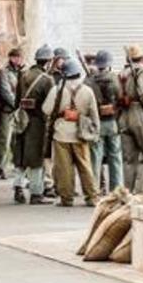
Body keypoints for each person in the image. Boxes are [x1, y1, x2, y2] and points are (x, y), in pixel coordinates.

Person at [43, 59, 100, 207]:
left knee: (64, 168)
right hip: (81, 133)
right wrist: (95, 133)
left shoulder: (56, 90)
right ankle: (92, 197)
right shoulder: (87, 91)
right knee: (86, 167)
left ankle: (66, 198)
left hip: (61, 133)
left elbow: (46, 109)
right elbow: (94, 114)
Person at [11, 45, 55, 205]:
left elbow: (16, 101)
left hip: (23, 119)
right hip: (38, 123)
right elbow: (50, 106)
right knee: (36, 158)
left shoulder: (23, 75)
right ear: (48, 62)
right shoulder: (47, 80)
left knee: (20, 155)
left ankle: (18, 188)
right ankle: (36, 193)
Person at [118, 44, 143, 194]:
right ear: (141, 58)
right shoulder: (140, 70)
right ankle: (142, 192)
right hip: (138, 113)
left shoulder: (122, 73)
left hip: (124, 115)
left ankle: (128, 192)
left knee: (129, 159)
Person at [86, 50, 124, 193]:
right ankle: (117, 189)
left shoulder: (89, 80)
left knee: (95, 157)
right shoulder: (114, 79)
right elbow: (120, 97)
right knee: (115, 157)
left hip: (96, 122)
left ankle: (94, 189)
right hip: (112, 122)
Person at [0, 48, 23, 180]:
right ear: (10, 58)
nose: (18, 60)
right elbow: (5, 92)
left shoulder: (20, 73)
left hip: (18, 110)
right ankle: (0, 167)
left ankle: (15, 166)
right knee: (4, 140)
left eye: (19, 57)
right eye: (15, 57)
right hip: (8, 110)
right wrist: (17, 104)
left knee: (16, 141)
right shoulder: (4, 73)